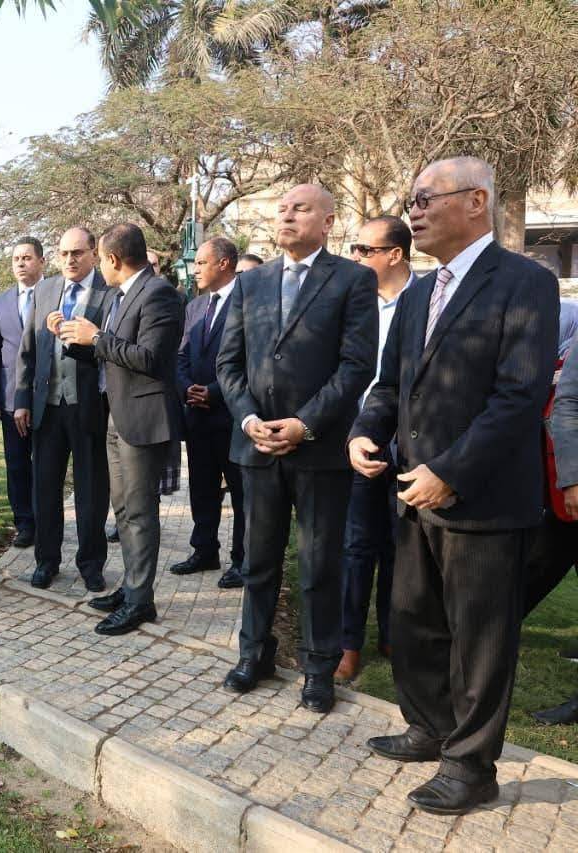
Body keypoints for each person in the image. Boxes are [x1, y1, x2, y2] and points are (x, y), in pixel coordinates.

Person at [350, 157, 558, 815]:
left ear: (475, 202)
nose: (412, 211)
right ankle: (428, 726)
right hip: (412, 494)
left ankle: (471, 766)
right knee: (413, 620)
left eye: (424, 199)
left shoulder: (525, 281)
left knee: (480, 639)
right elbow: (390, 385)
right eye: (410, 200)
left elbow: (519, 395)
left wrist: (451, 472)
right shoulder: (417, 295)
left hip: (482, 500)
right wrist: (364, 431)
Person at [215, 184, 377, 715]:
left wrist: (304, 424)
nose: (286, 215)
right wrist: (250, 419)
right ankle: (253, 654)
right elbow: (229, 363)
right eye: (281, 209)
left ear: (328, 221)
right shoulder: (251, 282)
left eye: (300, 209)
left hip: (318, 450)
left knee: (319, 565)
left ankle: (318, 667)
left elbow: (356, 365)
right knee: (258, 560)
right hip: (257, 446)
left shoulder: (353, 279)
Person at [59, 223, 184, 635]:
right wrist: (73, 340)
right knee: (124, 510)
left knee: (140, 512)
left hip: (143, 419)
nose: (99, 266)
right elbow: (109, 356)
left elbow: (150, 358)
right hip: (114, 414)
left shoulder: (159, 293)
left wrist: (96, 337)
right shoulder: (119, 295)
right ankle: (131, 587)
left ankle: (140, 601)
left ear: (112, 259)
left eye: (99, 258)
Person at [335, 216, 415, 681]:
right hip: (358, 439)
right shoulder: (351, 301)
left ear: (395, 254)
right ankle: (348, 643)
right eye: (355, 247)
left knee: (401, 545)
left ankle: (392, 632)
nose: (356, 257)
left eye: (365, 250)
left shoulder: (425, 299)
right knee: (357, 544)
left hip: (410, 442)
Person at [14, 227, 111, 592]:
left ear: (93, 254)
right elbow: (27, 350)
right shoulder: (45, 290)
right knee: (45, 488)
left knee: (91, 491)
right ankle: (46, 561)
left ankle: (91, 564)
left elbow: (110, 351)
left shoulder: (108, 291)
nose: (70, 260)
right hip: (48, 406)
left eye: (77, 253)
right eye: (64, 253)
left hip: (88, 406)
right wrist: (21, 401)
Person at [174, 236, 247, 589]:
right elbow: (181, 355)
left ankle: (242, 560)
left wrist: (215, 392)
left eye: (202, 263)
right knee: (201, 488)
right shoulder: (195, 306)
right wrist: (186, 386)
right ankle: (204, 550)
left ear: (224, 263)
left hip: (231, 416)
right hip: (197, 415)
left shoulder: (247, 302)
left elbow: (250, 360)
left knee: (241, 492)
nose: (196, 269)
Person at [529, 334, 578, 725]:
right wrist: (572, 479)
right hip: (568, 497)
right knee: (529, 572)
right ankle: (476, 651)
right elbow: (567, 405)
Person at [0, 238, 41, 548]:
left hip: (46, 396)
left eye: (27, 257)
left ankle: (46, 519)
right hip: (10, 397)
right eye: (16, 258)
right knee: (16, 465)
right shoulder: (1, 302)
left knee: (45, 464)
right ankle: (25, 523)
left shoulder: (54, 295)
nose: (20, 263)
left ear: (41, 261)